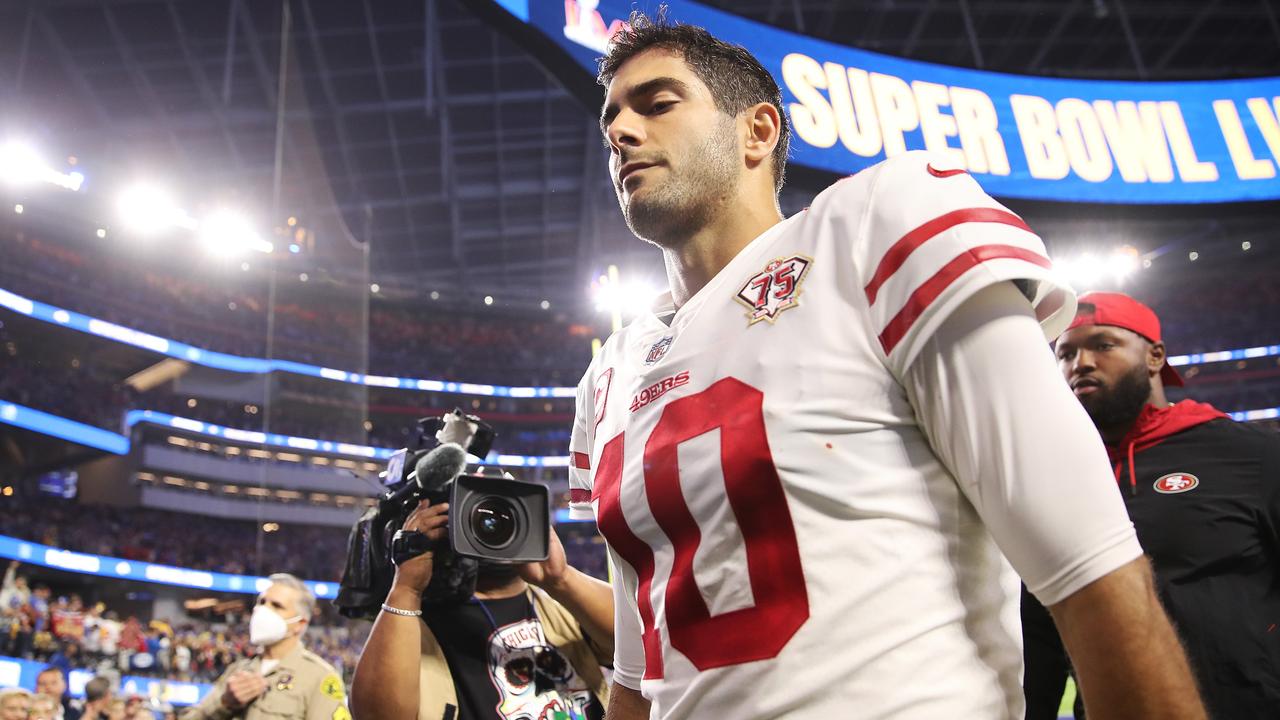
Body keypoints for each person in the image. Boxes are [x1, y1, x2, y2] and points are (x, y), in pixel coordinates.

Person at [573, 13, 1206, 720]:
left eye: (657, 104)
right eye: (612, 121)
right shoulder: (611, 373)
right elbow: (636, 676)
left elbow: (1089, 563)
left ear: (758, 131)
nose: (622, 132)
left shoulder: (874, 221)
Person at [1022, 291, 1280, 717]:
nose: (1080, 363)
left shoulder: (1248, 454)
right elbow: (1039, 631)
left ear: (1155, 356)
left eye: (1103, 345)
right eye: (1065, 353)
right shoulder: (1054, 478)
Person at [350, 518, 615, 720]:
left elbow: (644, 645)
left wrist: (561, 579)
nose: (491, 525)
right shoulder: (409, 625)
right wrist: (406, 588)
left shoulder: (561, 603)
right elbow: (377, 715)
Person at [182, 574, 346, 720]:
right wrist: (224, 703)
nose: (262, 610)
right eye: (261, 602)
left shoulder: (319, 677)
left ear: (300, 624)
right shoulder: (237, 670)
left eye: (276, 605)